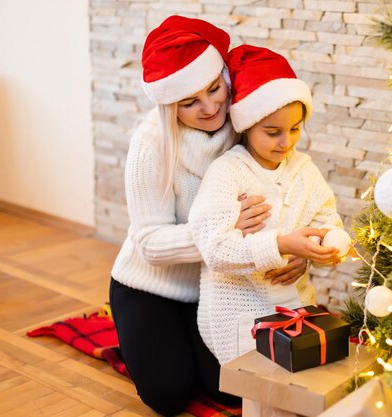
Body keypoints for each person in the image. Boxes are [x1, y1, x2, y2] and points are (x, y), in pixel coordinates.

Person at [109, 17, 307, 416]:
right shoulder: (149, 145)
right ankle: (139, 333)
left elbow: (286, 191)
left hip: (220, 288)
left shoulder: (248, 122)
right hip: (151, 287)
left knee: (237, 389)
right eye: (189, 102)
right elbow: (149, 244)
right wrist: (221, 231)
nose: (210, 106)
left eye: (215, 88)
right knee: (167, 394)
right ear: (169, 105)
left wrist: (297, 249)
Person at [188, 44, 346, 365]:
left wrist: (322, 247)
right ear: (247, 125)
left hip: (295, 308)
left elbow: (328, 219)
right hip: (239, 313)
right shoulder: (227, 172)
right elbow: (215, 249)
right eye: (273, 132)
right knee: (266, 386)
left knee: (315, 374)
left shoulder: (304, 169)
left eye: (295, 129)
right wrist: (283, 244)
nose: (286, 142)